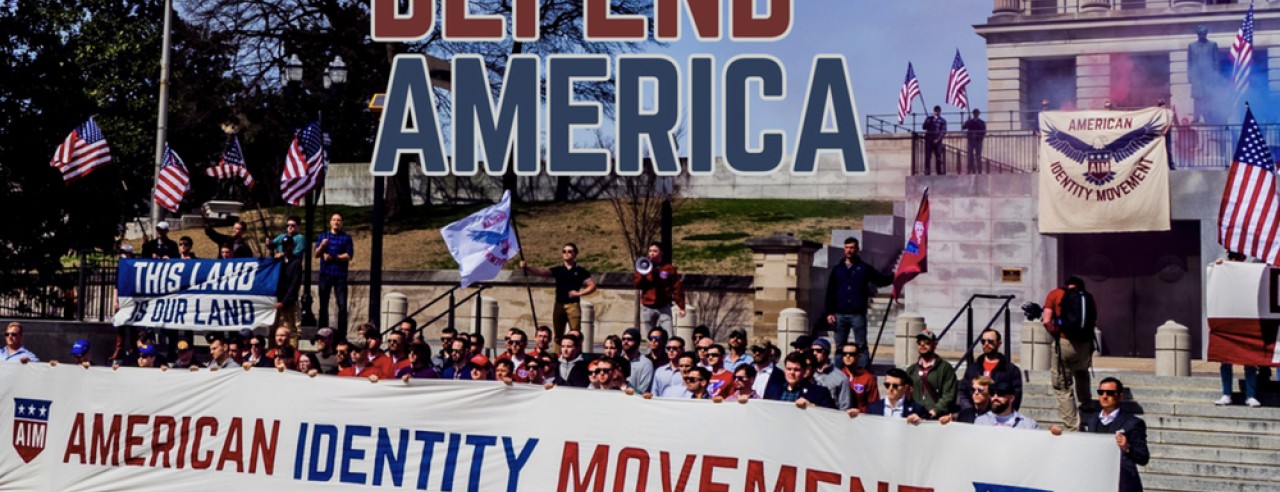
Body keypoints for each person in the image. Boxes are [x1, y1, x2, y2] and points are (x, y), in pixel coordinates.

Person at [824, 237, 892, 361]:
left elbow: (881, 281)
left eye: (852, 248)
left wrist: (895, 276)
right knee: (840, 347)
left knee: (861, 346)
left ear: (857, 249)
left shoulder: (864, 268)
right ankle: (840, 371)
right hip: (840, 314)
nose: (849, 250)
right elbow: (830, 292)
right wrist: (829, 312)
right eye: (847, 247)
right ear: (844, 249)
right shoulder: (837, 269)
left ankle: (862, 372)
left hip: (858, 314)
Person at [1042, 275, 1096, 430]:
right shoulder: (1087, 297)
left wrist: (1055, 333)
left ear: (1066, 284)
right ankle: (1086, 403)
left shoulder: (1055, 294)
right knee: (1082, 372)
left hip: (1064, 343)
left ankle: (1072, 426)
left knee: (1063, 387)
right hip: (1085, 345)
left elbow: (1046, 320)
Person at [1080, 378, 1150, 492]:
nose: (1104, 396)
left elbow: (1143, 457)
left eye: (1110, 393)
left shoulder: (1133, 423)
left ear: (1120, 396)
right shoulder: (1092, 420)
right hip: (1098, 482)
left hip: (1122, 484)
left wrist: (1127, 448)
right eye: (1101, 392)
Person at [520, 243, 597, 340]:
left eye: (569, 251)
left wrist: (579, 293)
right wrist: (527, 268)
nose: (566, 253)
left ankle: (575, 353)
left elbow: (592, 286)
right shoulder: (559, 270)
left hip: (573, 305)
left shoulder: (580, 271)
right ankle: (557, 353)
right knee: (558, 335)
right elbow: (542, 272)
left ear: (575, 254)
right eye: (564, 251)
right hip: (559, 304)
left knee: (575, 334)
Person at [1214, 252, 1262, 407]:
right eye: (1233, 257)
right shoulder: (1224, 269)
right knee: (1226, 360)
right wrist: (1219, 267)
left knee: (1249, 360)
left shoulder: (1249, 269)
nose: (1235, 260)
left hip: (1246, 319)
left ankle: (1250, 395)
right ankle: (1226, 393)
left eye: (1239, 257)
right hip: (1227, 319)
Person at [959, 328, 1023, 413]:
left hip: (999, 416)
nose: (986, 344)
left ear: (999, 343)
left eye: (990, 341)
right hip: (974, 414)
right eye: (983, 341)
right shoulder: (973, 369)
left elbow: (1016, 396)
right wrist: (969, 410)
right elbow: (963, 391)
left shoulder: (1011, 370)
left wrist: (1004, 414)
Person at [314, 212, 354, 341]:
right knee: (323, 305)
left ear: (342, 223)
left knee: (342, 305)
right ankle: (322, 333)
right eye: (334, 220)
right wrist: (322, 246)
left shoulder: (346, 238)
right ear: (330, 222)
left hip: (340, 276)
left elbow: (349, 255)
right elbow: (316, 254)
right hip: (325, 275)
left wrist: (334, 257)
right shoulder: (323, 236)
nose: (336, 222)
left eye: (339, 220)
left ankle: (342, 335)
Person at [633, 242, 686, 332]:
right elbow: (636, 285)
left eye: (655, 251)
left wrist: (681, 306)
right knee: (651, 337)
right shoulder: (643, 267)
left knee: (668, 334)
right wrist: (643, 274)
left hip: (664, 307)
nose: (652, 254)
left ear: (661, 253)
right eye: (650, 251)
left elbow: (677, 287)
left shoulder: (668, 268)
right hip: (648, 307)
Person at [907, 329, 957, 420]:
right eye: (920, 342)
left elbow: (949, 395)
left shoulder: (945, 368)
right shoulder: (911, 370)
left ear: (935, 345)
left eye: (927, 342)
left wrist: (935, 411)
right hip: (915, 417)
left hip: (937, 418)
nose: (922, 345)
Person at [268, 216, 305, 337]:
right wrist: (269, 241)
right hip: (278, 298)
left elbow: (294, 285)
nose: (285, 248)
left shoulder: (296, 262)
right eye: (283, 246)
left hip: (289, 300)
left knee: (292, 328)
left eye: (288, 246)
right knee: (275, 328)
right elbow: (271, 245)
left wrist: (285, 301)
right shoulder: (280, 263)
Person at [764, 352, 836, 409]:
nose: (792, 373)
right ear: (784, 370)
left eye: (796, 370)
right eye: (789, 369)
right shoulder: (773, 389)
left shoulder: (819, 392)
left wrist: (813, 408)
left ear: (804, 371)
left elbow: (831, 416)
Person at [854, 367, 926, 422]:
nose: (890, 388)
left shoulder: (917, 409)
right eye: (887, 385)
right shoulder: (873, 409)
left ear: (905, 388)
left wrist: (920, 423)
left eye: (895, 386)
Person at [1187, 25, 1222, 125]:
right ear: (1197, 34)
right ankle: (1196, 117)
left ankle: (1209, 118)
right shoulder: (1191, 46)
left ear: (1206, 34)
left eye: (1203, 34)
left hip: (1208, 76)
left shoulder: (1212, 45)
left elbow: (1216, 61)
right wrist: (1189, 76)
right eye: (1200, 34)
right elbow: (1190, 62)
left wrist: (1216, 76)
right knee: (1197, 98)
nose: (1202, 35)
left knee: (1208, 97)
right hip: (1196, 76)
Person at [974, 380, 1038, 429]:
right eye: (992, 394)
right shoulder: (981, 422)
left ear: (1011, 398)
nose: (995, 397)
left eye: (1001, 394)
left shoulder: (1028, 425)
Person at [811, 338, 852, 410]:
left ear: (826, 352)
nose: (814, 353)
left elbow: (844, 406)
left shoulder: (840, 377)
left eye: (819, 351)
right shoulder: (807, 373)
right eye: (812, 351)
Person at [839, 344, 879, 413]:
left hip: (861, 418)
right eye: (844, 354)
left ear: (858, 356)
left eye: (852, 354)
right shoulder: (837, 376)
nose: (847, 356)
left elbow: (874, 404)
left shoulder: (868, 378)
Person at [620, 328, 654, 393]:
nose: (625, 342)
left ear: (637, 342)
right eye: (623, 339)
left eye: (629, 339)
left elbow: (643, 390)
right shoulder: (617, 361)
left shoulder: (646, 363)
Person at [922, 105, 946, 175]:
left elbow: (943, 131)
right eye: (935, 111)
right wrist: (927, 122)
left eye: (938, 111)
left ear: (940, 111)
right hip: (929, 139)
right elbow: (924, 127)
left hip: (937, 140)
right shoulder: (929, 119)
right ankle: (927, 170)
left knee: (938, 156)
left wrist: (938, 139)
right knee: (928, 156)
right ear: (934, 111)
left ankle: (938, 171)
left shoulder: (942, 121)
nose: (937, 112)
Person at [962, 108, 985, 174]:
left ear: (978, 114)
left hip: (978, 141)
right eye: (974, 113)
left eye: (976, 113)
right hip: (971, 141)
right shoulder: (970, 121)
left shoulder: (981, 122)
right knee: (970, 156)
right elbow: (963, 127)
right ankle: (970, 170)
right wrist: (967, 121)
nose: (975, 114)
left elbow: (983, 132)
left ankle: (979, 170)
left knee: (978, 156)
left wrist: (978, 136)